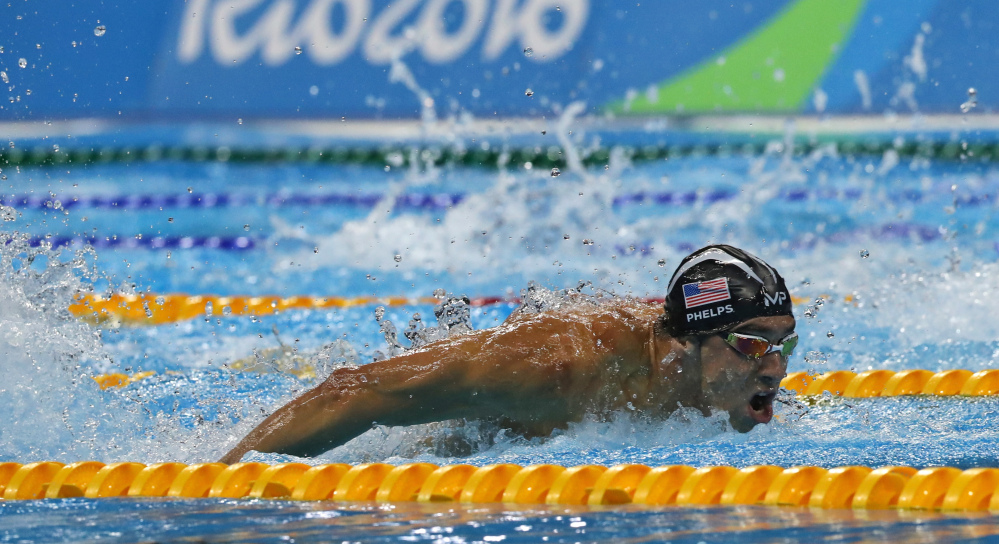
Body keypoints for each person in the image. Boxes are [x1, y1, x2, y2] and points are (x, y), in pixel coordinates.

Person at [220, 244, 796, 463]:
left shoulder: (723, 385)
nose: (773, 367)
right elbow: (353, 391)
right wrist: (217, 485)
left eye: (782, 344)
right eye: (751, 344)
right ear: (689, 342)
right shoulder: (563, 366)